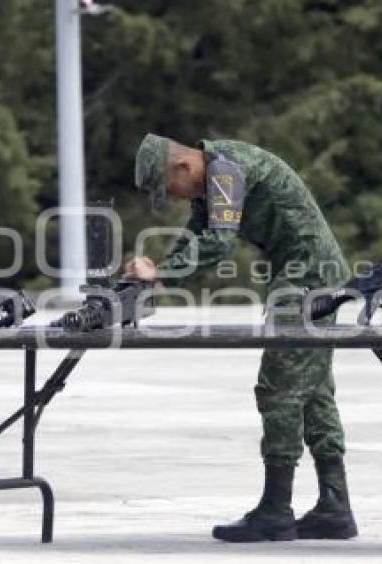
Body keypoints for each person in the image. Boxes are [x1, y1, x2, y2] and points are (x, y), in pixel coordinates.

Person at [127, 133, 358, 542]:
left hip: (307, 278)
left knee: (280, 390)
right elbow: (196, 234)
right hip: (307, 273)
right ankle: (334, 507)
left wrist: (162, 275)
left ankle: (276, 509)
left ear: (183, 166)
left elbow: (217, 244)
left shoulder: (225, 171)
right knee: (314, 391)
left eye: (170, 187)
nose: (176, 196)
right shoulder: (212, 176)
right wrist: (155, 277)